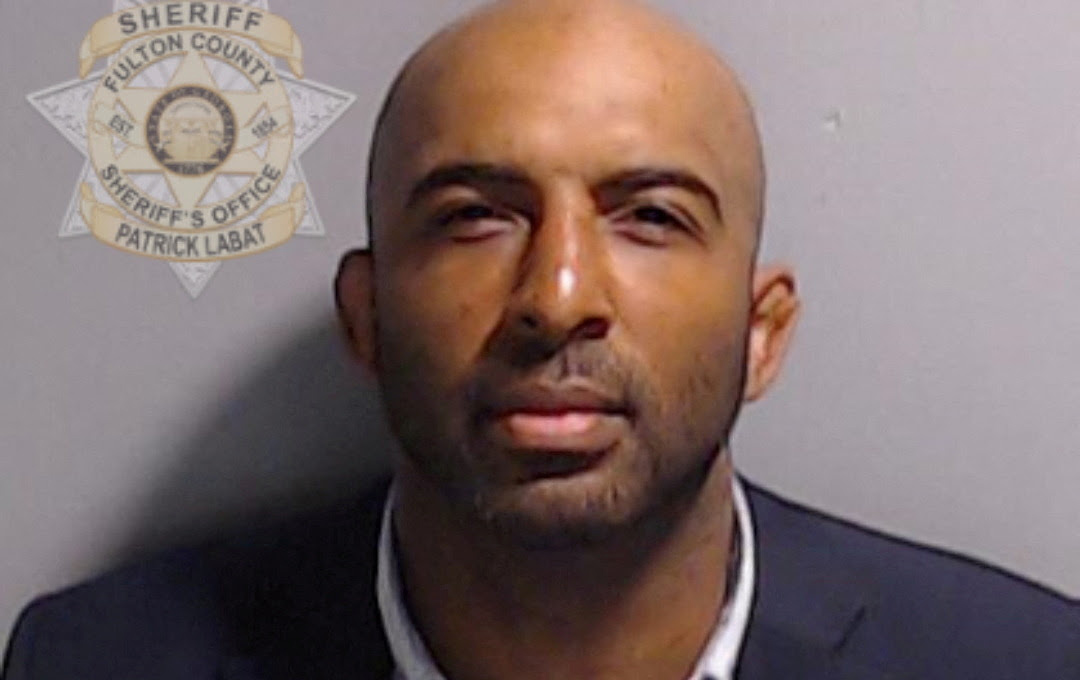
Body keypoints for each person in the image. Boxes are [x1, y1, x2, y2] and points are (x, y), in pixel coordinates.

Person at [4, 1, 1079, 678]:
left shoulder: (1021, 662)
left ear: (763, 333)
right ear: (366, 318)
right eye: (475, 215)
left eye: (650, 216)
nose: (557, 297)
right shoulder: (96, 664)